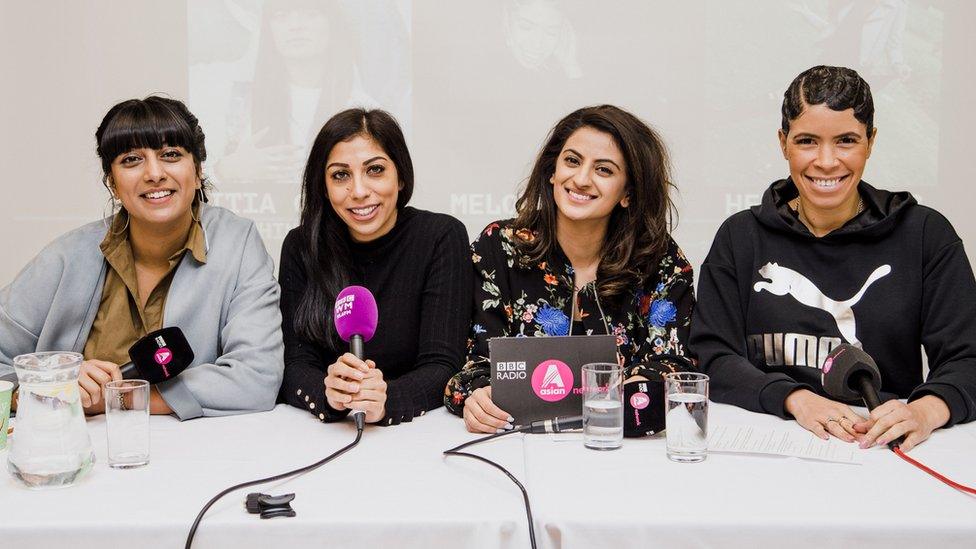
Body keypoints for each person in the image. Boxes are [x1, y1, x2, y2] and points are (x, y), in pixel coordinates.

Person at [690, 65, 976, 451]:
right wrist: (795, 400)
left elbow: (969, 356)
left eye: (846, 141)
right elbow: (711, 356)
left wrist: (927, 410)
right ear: (783, 142)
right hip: (767, 443)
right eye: (807, 141)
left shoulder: (925, 234)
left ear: (870, 142)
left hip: (879, 447)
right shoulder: (740, 236)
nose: (826, 161)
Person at [0, 96, 284, 419]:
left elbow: (257, 376)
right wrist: (48, 389)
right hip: (77, 454)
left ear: (198, 169)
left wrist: (119, 399)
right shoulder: (69, 256)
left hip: (201, 455)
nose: (154, 173)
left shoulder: (239, 243)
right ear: (112, 182)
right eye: (132, 159)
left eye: (171, 155)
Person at [444, 105, 695, 434]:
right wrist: (477, 396)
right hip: (515, 442)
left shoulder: (659, 257)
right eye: (572, 161)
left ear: (628, 193)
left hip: (621, 446)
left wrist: (637, 386)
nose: (580, 179)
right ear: (552, 170)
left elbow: (676, 364)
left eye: (603, 170)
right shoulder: (499, 247)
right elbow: (475, 362)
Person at [278, 108, 472, 426]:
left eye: (375, 170)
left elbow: (443, 365)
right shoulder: (301, 246)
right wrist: (328, 393)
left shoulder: (440, 236)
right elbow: (294, 365)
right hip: (322, 434)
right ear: (324, 187)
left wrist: (384, 402)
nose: (358, 191)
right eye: (340, 175)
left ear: (401, 175)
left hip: (418, 433)